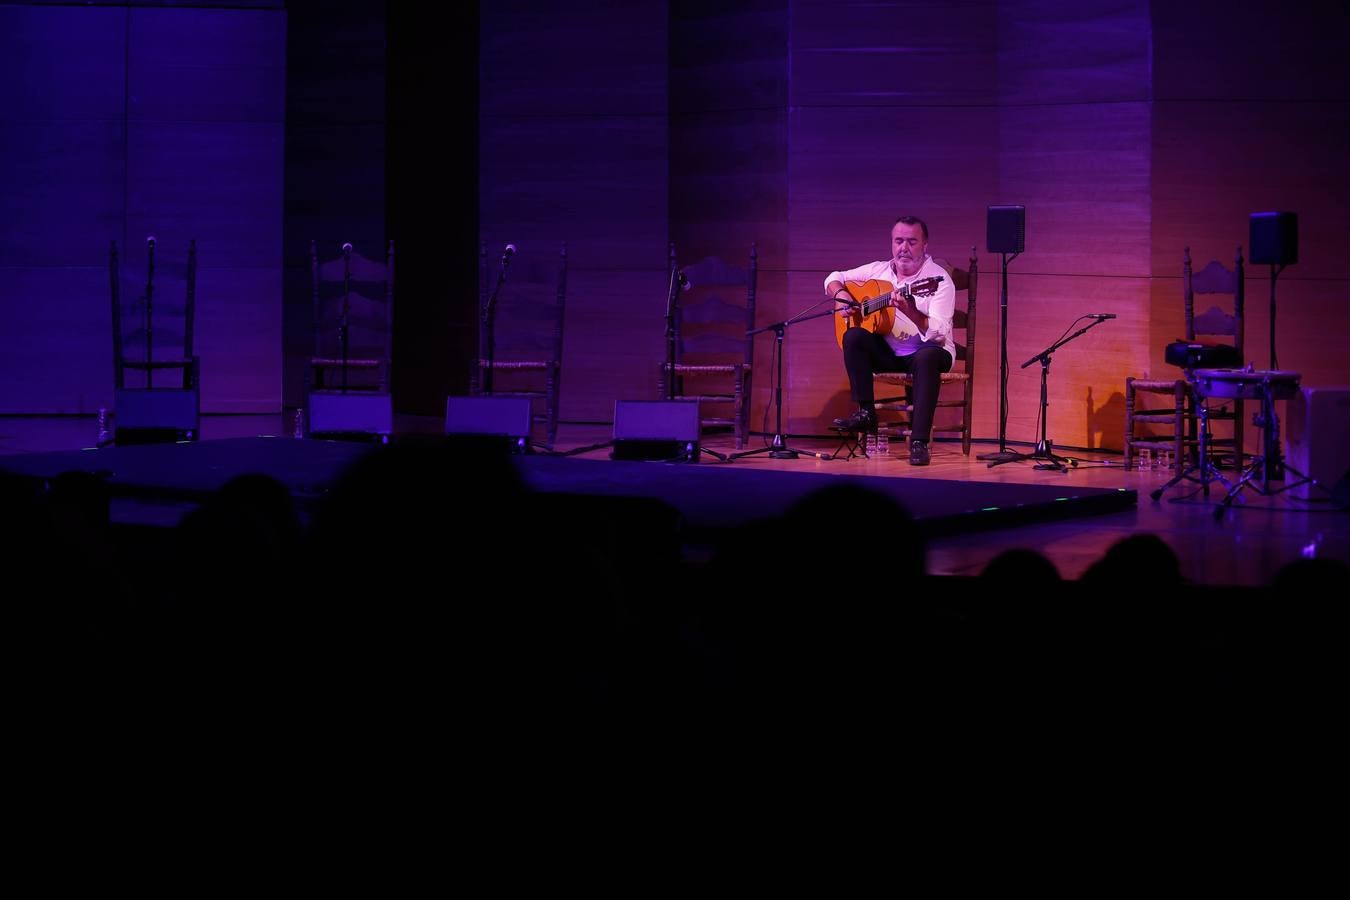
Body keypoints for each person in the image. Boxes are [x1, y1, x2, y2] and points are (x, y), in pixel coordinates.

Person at [825, 216, 955, 466]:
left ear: (925, 245)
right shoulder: (878, 270)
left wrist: (911, 311)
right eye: (898, 241)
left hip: (928, 352)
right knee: (853, 336)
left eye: (911, 242)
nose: (903, 248)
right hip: (890, 353)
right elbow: (833, 277)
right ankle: (866, 414)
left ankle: (919, 442)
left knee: (927, 356)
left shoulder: (937, 280)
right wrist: (841, 295)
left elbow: (939, 333)